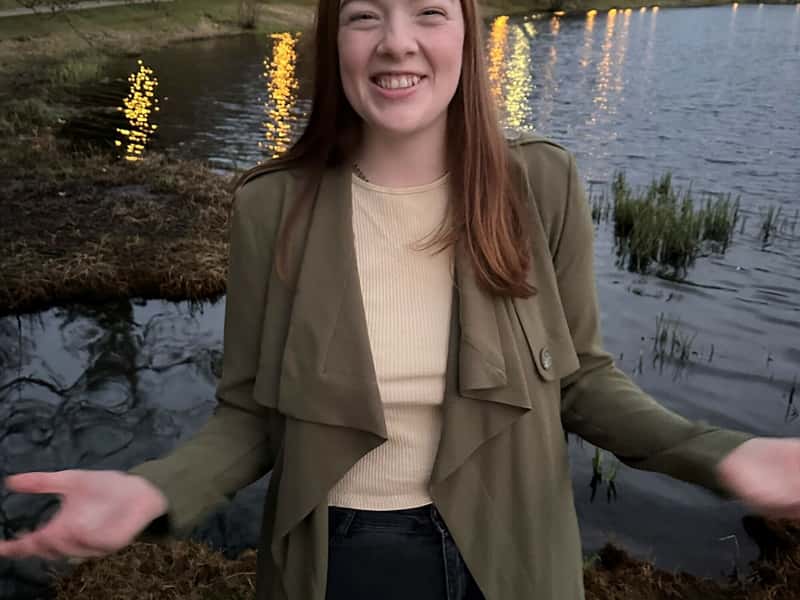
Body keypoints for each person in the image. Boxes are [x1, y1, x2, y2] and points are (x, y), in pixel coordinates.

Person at [1, 0, 799, 598]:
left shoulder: (542, 181)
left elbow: (583, 381)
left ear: (465, 33)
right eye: (364, 16)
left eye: (428, 12)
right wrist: (155, 489)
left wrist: (721, 455)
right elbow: (249, 416)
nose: (396, 41)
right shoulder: (270, 206)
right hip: (341, 560)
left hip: (517, 552)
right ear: (334, 41)